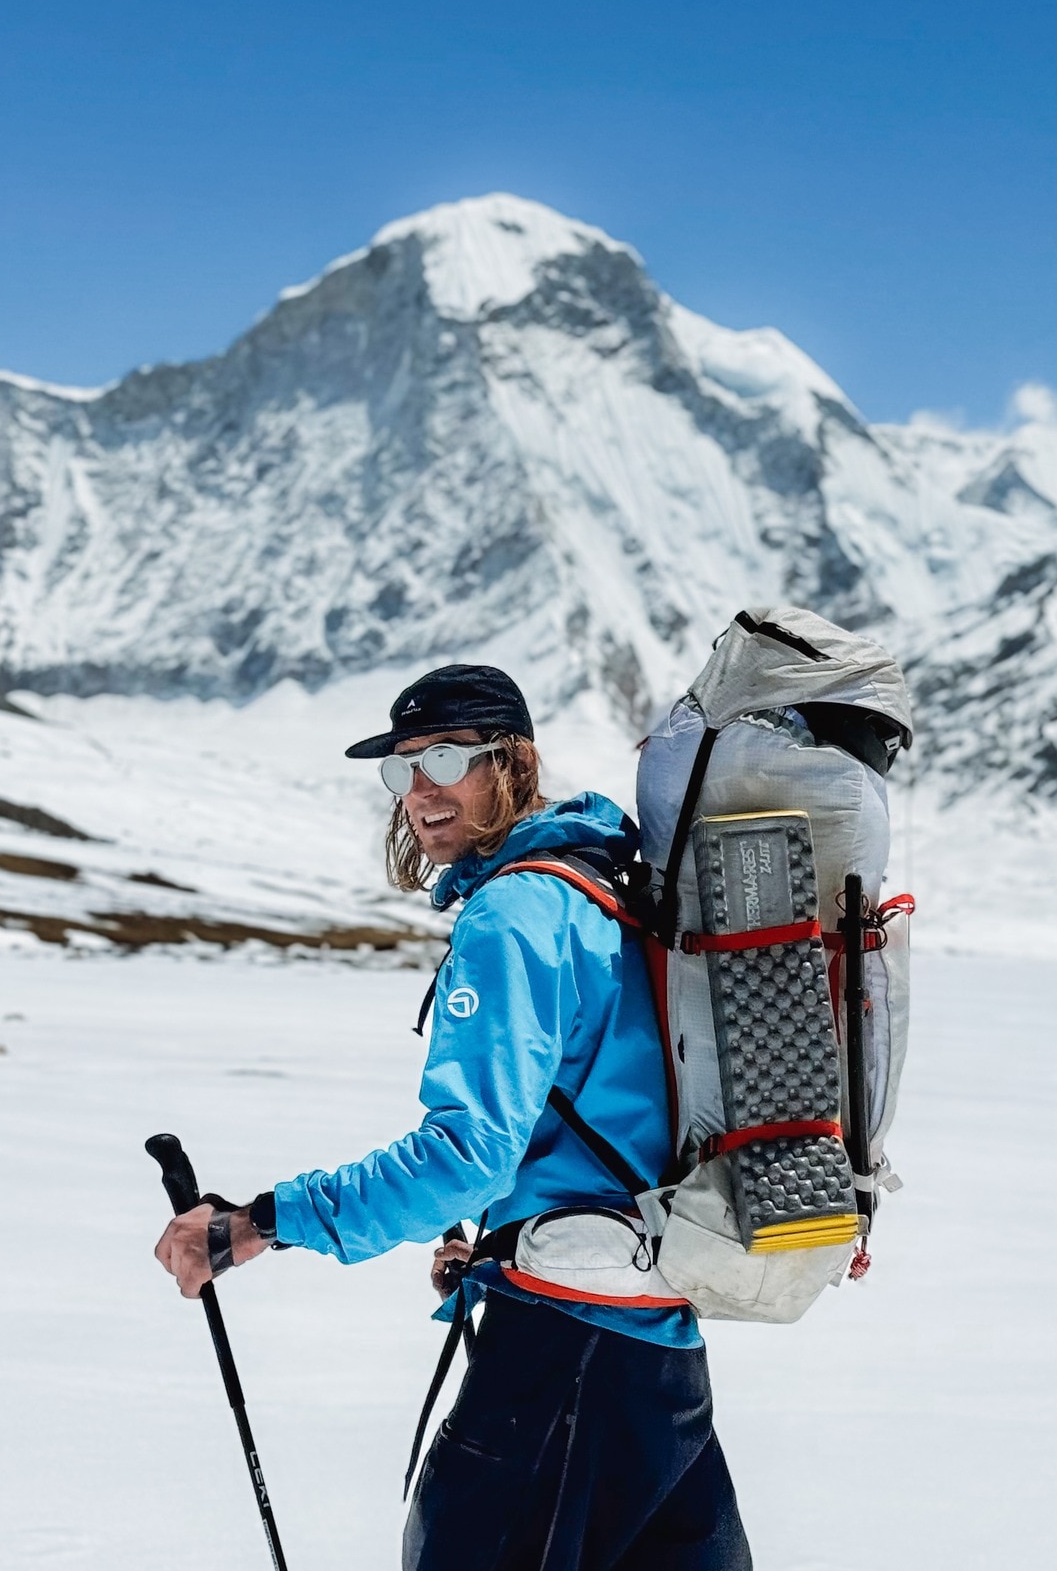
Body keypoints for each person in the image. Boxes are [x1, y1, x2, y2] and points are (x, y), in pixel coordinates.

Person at [154, 663, 752, 1571]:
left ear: (513, 763)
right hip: (654, 1344)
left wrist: (261, 1222)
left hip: (563, 1346)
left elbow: (467, 1155)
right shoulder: (605, 890)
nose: (420, 791)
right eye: (402, 769)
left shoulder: (515, 913)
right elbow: (603, 1119)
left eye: (444, 758)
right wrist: (503, 1243)